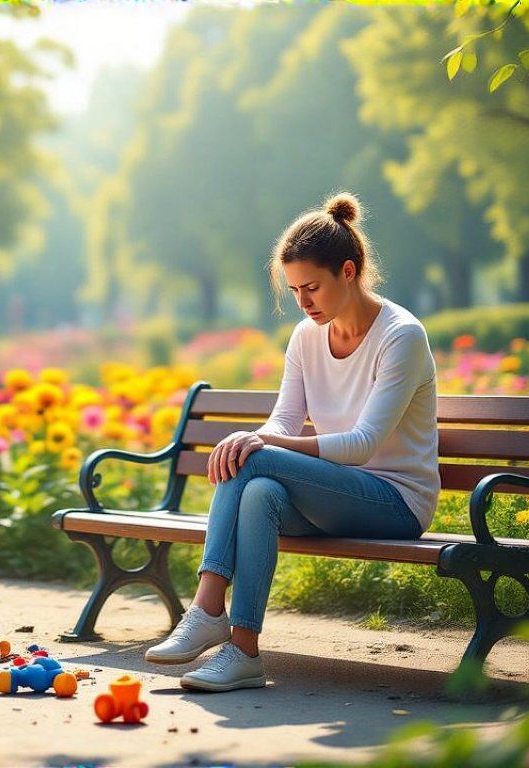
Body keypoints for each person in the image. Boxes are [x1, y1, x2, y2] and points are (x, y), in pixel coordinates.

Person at [145, 192, 440, 692]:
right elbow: (283, 421)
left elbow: (363, 445)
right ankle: (243, 652)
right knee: (259, 488)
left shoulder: (401, 336)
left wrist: (259, 446)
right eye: (294, 290)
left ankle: (207, 606)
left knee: (256, 461)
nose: (302, 303)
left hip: (395, 501)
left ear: (348, 271)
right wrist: (257, 441)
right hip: (333, 494)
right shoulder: (306, 336)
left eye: (312, 288)